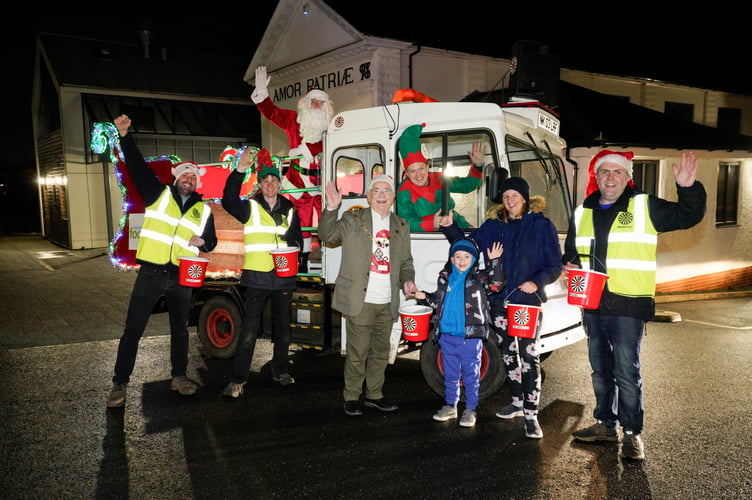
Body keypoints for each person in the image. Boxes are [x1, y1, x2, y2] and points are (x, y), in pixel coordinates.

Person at [563, 150, 706, 460]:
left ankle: (632, 434)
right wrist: (569, 266)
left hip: (628, 305)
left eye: (617, 172)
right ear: (597, 177)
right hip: (592, 304)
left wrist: (688, 188)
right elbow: (572, 252)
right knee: (601, 370)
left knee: (626, 371)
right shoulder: (581, 212)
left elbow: (687, 215)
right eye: (604, 172)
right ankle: (605, 424)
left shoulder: (644, 206)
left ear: (628, 177)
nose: (610, 177)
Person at [107, 114, 218, 408]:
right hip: (152, 273)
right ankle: (119, 383)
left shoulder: (204, 211)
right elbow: (137, 166)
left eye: (194, 177)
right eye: (185, 175)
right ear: (176, 178)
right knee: (133, 329)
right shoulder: (157, 194)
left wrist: (204, 241)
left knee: (180, 330)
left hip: (183, 274)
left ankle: (179, 377)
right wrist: (124, 136)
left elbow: (212, 240)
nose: (189, 180)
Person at [440, 176, 562, 438]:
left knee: (528, 356)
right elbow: (469, 245)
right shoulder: (494, 225)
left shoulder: (542, 226)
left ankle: (531, 414)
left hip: (527, 303)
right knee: (508, 352)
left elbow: (554, 264)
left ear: (525, 199)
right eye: (506, 197)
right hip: (498, 302)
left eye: (514, 196)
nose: (509, 201)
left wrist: (536, 281)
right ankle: (517, 402)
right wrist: (450, 228)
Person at [318, 175, 419, 416]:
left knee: (380, 353)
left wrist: (408, 279)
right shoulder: (353, 219)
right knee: (357, 353)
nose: (382, 195)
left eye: (387, 191)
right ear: (368, 196)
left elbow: (406, 261)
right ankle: (352, 396)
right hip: (359, 300)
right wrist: (331, 207)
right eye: (377, 190)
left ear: (393, 197)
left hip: (387, 301)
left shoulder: (401, 225)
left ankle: (375, 395)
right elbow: (327, 235)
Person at [220, 147, 304, 398]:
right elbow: (228, 201)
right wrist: (240, 170)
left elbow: (296, 239)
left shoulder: (289, 208)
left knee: (283, 329)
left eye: (273, 180)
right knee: (248, 330)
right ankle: (238, 379)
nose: (269, 184)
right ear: (260, 184)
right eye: (265, 180)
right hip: (257, 276)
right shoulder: (250, 207)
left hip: (283, 277)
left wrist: (296, 255)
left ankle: (280, 371)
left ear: (279, 184)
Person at [251, 65, 335, 271]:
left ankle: (330, 259)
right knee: (301, 223)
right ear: (305, 104)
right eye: (312, 101)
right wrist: (262, 93)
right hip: (299, 181)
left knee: (328, 222)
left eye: (319, 102)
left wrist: (304, 149)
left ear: (326, 106)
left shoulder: (333, 125)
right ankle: (303, 260)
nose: (315, 105)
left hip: (324, 182)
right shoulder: (292, 120)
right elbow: (271, 112)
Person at [414, 238, 504, 427]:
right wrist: (423, 296)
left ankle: (470, 409)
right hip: (446, 336)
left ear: (473, 260)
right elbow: (438, 302)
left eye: (466, 256)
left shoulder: (478, 279)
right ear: (452, 259)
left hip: (470, 338)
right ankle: (451, 406)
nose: (462, 260)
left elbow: (497, 284)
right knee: (451, 374)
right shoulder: (445, 278)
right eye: (458, 256)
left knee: (471, 375)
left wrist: (495, 261)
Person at [396, 123, 485, 232]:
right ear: (406, 173)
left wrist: (478, 166)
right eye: (412, 171)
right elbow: (405, 222)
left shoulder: (439, 179)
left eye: (421, 169)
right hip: (429, 238)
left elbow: (467, 185)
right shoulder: (403, 191)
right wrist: (432, 223)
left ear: (428, 166)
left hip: (457, 226)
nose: (418, 175)